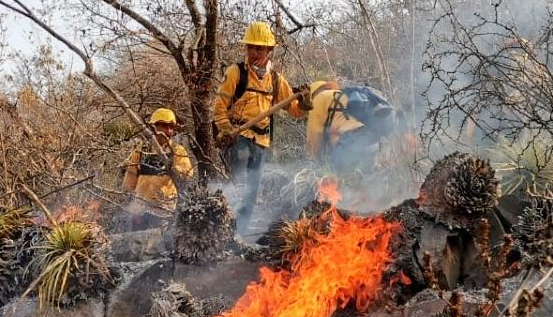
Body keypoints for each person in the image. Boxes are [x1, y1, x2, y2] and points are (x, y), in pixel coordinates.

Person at [212, 21, 310, 233]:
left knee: (252, 191)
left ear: (269, 50)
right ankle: (227, 227)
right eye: (250, 47)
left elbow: (294, 110)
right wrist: (226, 128)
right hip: (240, 136)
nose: (254, 52)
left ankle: (241, 233)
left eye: (259, 48)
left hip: (262, 142)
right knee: (240, 185)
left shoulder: (275, 80)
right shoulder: (236, 73)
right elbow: (219, 107)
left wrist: (303, 104)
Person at [121, 108, 194, 230]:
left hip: (163, 208)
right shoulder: (141, 149)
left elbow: (187, 173)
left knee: (159, 242)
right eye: (165, 126)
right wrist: (126, 194)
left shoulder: (176, 150)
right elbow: (131, 175)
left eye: (171, 127)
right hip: (140, 207)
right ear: (153, 127)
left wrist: (173, 168)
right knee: (139, 243)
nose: (168, 131)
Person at [305, 80, 396, 174]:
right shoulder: (349, 95)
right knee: (366, 181)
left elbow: (314, 132)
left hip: (349, 144)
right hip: (372, 142)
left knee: (343, 182)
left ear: (313, 93)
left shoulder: (320, 97)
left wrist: (313, 160)